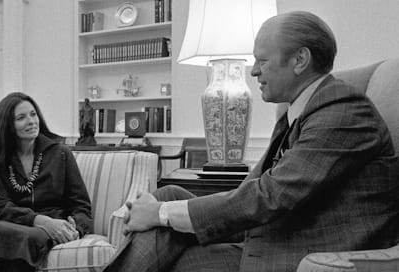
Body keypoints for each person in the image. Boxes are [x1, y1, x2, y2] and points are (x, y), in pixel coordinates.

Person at [105, 11, 399, 272]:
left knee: (171, 249)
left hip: (301, 252)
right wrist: (162, 211)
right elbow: (251, 190)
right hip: (273, 235)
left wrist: (160, 215)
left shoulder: (343, 111)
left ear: (299, 60)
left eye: (263, 60)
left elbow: (270, 196)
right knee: (167, 194)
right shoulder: (296, 113)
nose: (254, 70)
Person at [0, 92, 93, 272]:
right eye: (21, 117)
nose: (31, 121)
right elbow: (0, 206)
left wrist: (74, 228)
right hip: (14, 223)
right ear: (8, 126)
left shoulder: (60, 153)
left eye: (33, 114)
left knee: (16, 236)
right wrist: (37, 219)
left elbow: (82, 206)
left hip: (52, 225)